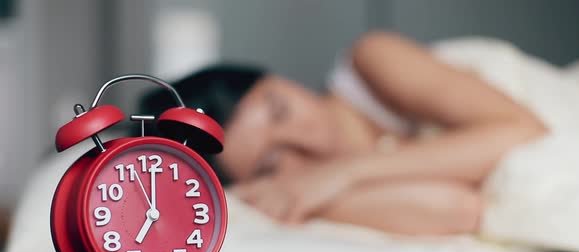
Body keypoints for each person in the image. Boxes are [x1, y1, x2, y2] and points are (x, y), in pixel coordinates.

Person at [141, 32, 547, 236]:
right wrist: (314, 193)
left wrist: (345, 172)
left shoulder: (373, 61)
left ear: (281, 79)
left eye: (281, 109)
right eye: (272, 162)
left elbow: (524, 133)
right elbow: (461, 210)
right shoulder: (315, 189)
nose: (305, 138)